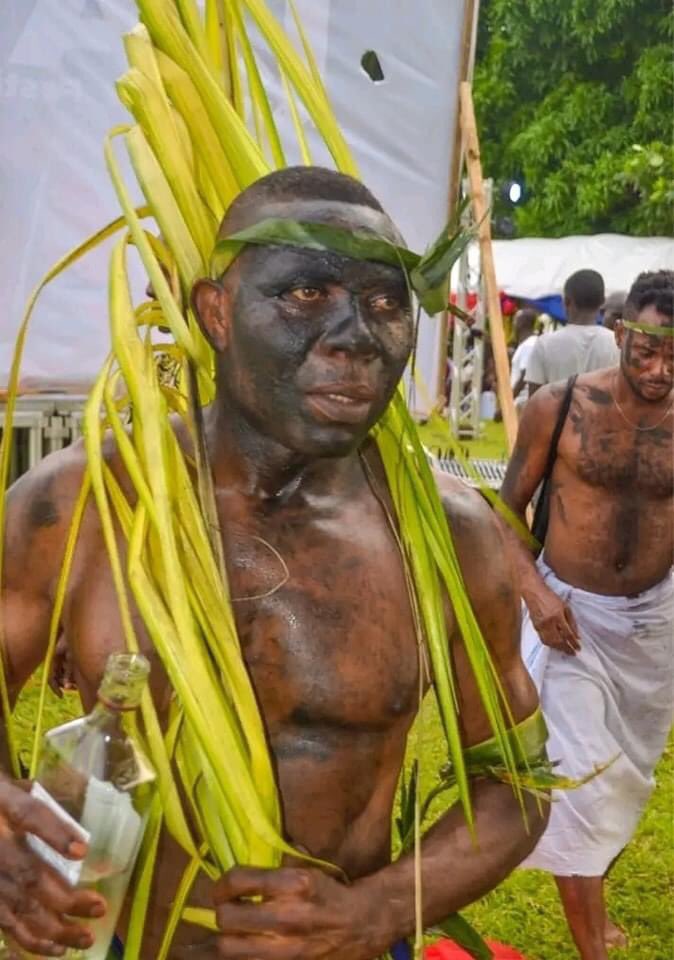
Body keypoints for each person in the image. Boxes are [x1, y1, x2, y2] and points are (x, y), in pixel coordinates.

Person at [0, 167, 546, 960]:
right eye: (305, 293)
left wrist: (379, 909)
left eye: (389, 303)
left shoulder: (448, 538)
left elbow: (519, 785)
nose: (357, 334)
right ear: (215, 311)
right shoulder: (80, 509)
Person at [500, 270, 674, 960]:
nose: (661, 371)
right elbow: (503, 512)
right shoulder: (560, 405)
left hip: (652, 628)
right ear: (622, 333)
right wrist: (534, 594)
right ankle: (591, 951)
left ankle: (593, 907)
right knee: (580, 785)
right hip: (567, 618)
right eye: (648, 351)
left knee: (627, 779)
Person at [526, 269, 619, 396]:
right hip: (602, 416)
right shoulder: (617, 343)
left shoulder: (545, 345)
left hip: (555, 415)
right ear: (602, 302)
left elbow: (534, 400)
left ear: (566, 302)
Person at [509, 308, 539, 409]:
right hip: (522, 401)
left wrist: (509, 400)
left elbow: (524, 377)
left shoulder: (529, 345)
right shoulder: (525, 344)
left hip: (523, 402)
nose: (513, 323)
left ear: (522, 323)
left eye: (515, 320)